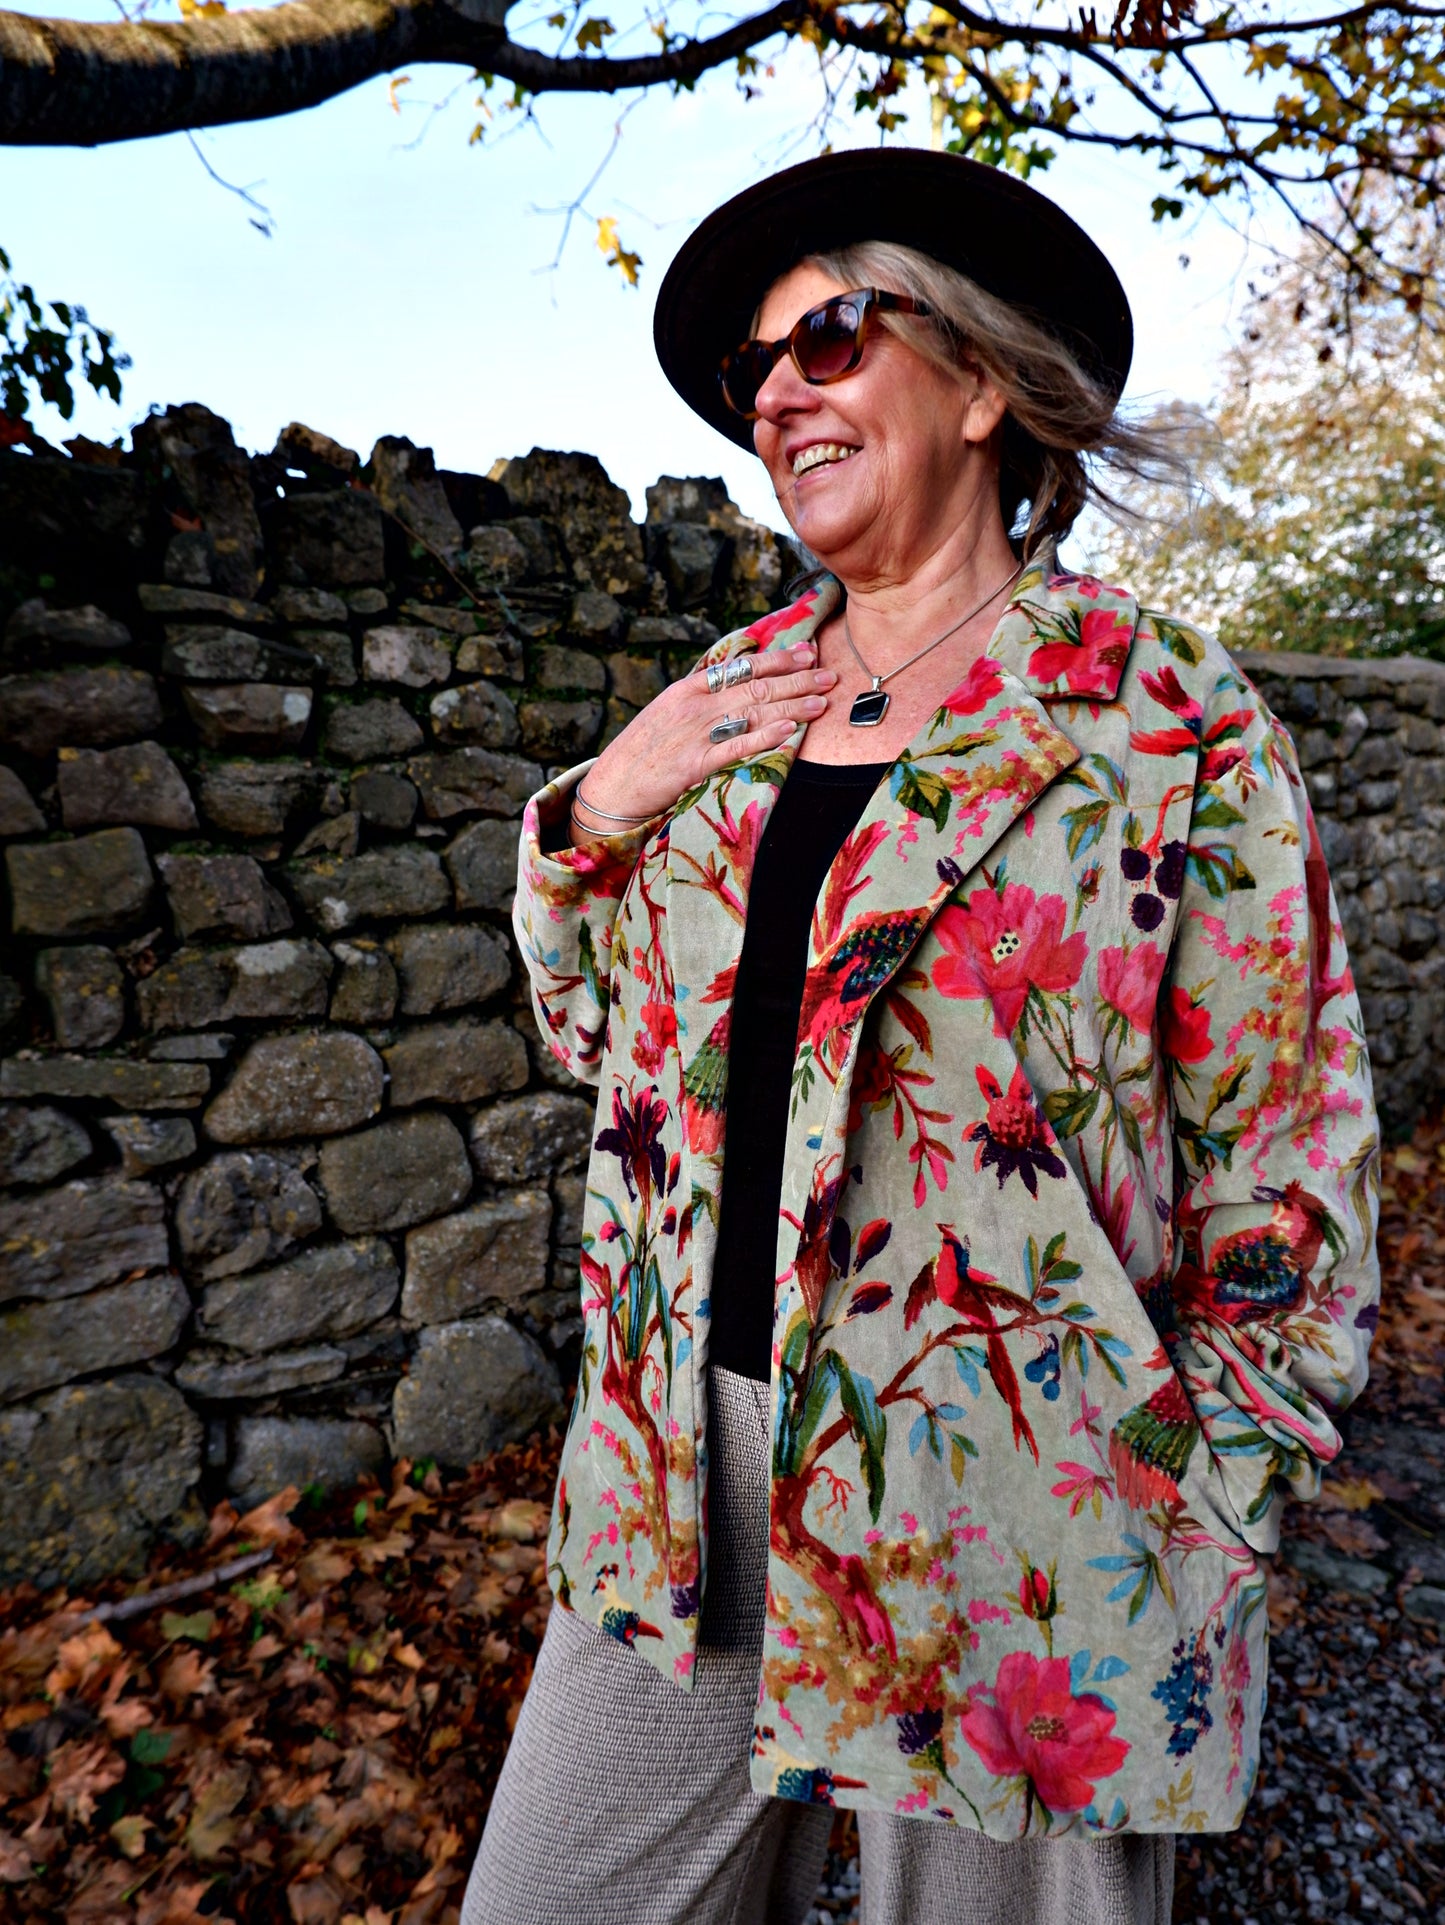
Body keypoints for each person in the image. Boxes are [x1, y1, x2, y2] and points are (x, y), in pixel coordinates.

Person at [461, 148, 1379, 1925]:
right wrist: (593, 814)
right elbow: (596, 1044)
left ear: (973, 379)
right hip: (679, 1489)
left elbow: (1286, 1155)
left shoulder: (1160, 715)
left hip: (1030, 1509)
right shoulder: (728, 709)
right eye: (753, 374)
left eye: (829, 334)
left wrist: (1198, 1503)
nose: (777, 393)